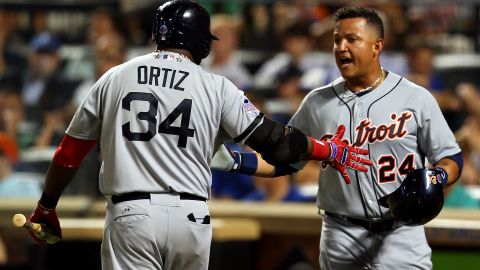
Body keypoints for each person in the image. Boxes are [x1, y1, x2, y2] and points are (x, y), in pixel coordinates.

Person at [26, 1, 372, 270]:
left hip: (131, 215)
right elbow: (276, 144)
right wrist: (324, 150)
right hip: (191, 219)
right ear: (200, 42)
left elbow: (69, 153)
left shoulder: (115, 77)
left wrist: (46, 205)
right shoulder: (216, 86)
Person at [214, 7, 463, 270]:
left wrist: (438, 177)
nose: (341, 47)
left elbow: (451, 158)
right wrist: (235, 162)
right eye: (336, 40)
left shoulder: (416, 97)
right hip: (341, 234)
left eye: (352, 39)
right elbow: (285, 159)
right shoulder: (317, 101)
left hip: (400, 233)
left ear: (376, 46)